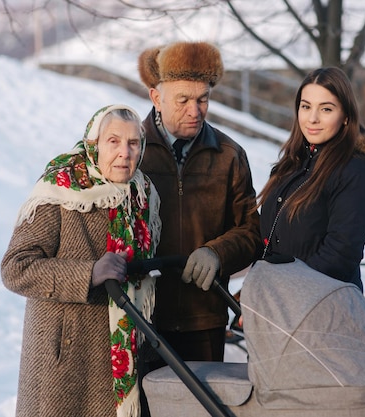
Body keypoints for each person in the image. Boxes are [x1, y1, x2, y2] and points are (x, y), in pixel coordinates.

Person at [1, 104, 161, 417]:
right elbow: (16, 268)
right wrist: (89, 272)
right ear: (94, 145)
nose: (124, 153)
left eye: (133, 143)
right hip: (62, 358)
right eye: (113, 142)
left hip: (118, 352)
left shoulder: (143, 196)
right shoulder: (59, 190)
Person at [136, 41, 261, 365]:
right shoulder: (131, 151)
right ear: (156, 97)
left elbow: (250, 231)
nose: (195, 110)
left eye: (202, 99)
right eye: (183, 100)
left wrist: (217, 252)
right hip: (140, 317)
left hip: (205, 318)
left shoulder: (229, 155)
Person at [258, 66, 365, 292]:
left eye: (326, 109)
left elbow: (339, 257)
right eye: (306, 106)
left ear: (346, 117)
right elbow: (269, 239)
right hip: (279, 306)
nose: (312, 118)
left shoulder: (355, 170)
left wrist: (282, 294)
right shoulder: (292, 164)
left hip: (321, 308)